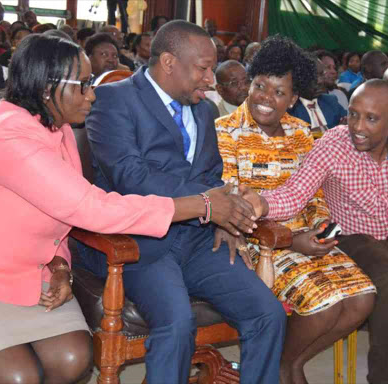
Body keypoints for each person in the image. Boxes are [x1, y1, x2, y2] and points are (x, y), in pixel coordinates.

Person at [0, 33, 260, 384]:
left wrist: (60, 266)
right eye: (83, 85)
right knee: (17, 376)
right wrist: (203, 205)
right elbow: (90, 208)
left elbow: (60, 217)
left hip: (28, 274)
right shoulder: (9, 134)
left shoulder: (58, 127)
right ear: (46, 87)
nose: (93, 94)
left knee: (73, 357)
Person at [83, 20, 286, 384]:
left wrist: (227, 216)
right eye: (204, 68)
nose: (211, 80)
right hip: (141, 243)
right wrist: (208, 203)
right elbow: (131, 178)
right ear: (169, 62)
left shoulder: (205, 111)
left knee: (267, 313)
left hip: (198, 240)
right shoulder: (114, 101)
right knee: (177, 323)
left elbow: (211, 174)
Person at [254, 79, 388, 384]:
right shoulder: (333, 144)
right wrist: (258, 204)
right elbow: (294, 193)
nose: (357, 126)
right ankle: (384, 378)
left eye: (371, 118)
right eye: (353, 114)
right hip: (354, 238)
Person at [215, 35, 376, 384]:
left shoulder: (303, 133)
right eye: (260, 86)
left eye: (278, 92)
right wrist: (291, 241)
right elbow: (231, 205)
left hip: (305, 238)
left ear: (293, 98)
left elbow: (316, 194)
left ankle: (287, 362)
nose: (266, 99)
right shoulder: (225, 132)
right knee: (328, 304)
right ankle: (286, 367)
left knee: (363, 300)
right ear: (250, 82)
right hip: (261, 245)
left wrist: (320, 229)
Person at [289, 58, 347, 131]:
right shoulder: (290, 108)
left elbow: (347, 123)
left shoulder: (331, 101)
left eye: (321, 75)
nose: (320, 81)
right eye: (314, 76)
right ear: (299, 77)